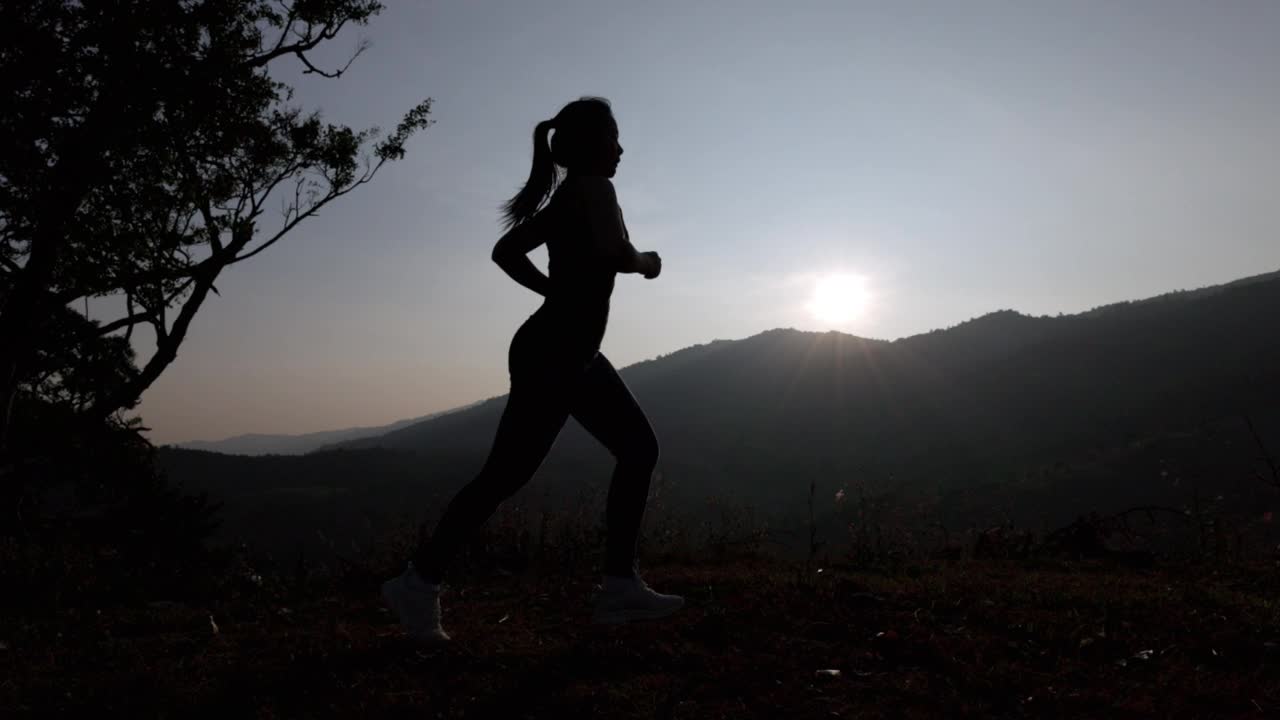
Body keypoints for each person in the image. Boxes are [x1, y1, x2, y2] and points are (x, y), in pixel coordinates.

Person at [381, 97, 684, 644]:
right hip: (557, 352)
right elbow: (616, 251)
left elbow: (505, 251)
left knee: (622, 452)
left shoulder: (571, 194)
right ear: (593, 145)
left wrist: (554, 293)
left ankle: (617, 585)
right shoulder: (594, 187)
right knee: (515, 473)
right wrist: (647, 263)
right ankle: (419, 581)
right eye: (614, 138)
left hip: (562, 348)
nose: (621, 149)